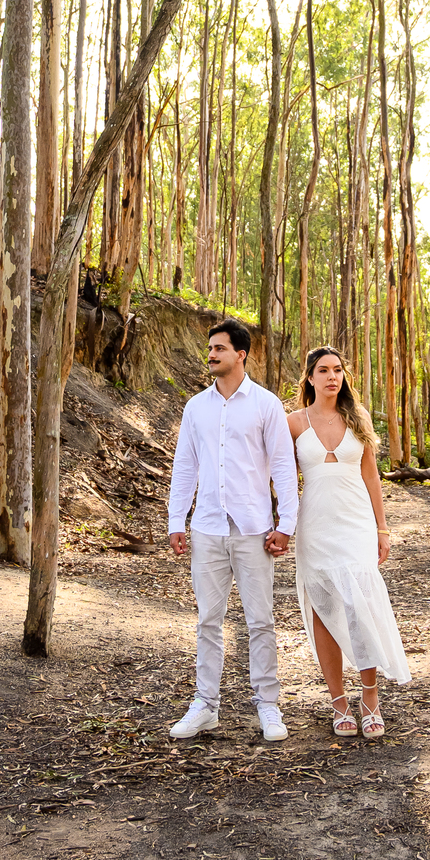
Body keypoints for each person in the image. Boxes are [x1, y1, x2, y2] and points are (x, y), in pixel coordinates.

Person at [167, 318, 298, 743]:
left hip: (254, 530)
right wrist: (176, 520)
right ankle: (205, 705)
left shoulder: (265, 404)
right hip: (206, 528)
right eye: (210, 348)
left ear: (241, 354)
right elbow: (185, 466)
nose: (211, 354)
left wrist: (286, 524)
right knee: (208, 620)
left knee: (260, 621)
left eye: (219, 348)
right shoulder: (195, 407)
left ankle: (268, 705)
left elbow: (282, 465)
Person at [287, 345, 410, 738]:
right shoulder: (291, 423)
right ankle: (339, 702)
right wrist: (279, 525)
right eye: (323, 370)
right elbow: (284, 482)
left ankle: (370, 698)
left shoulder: (357, 418)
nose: (332, 376)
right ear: (310, 378)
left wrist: (383, 528)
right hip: (316, 527)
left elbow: (372, 477)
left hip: (355, 523)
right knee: (324, 611)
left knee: (361, 607)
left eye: (338, 369)